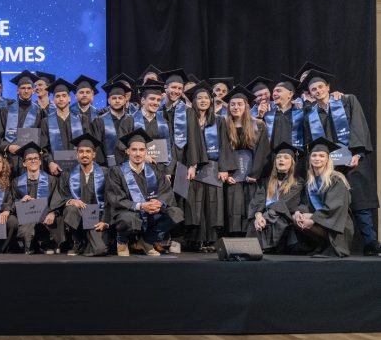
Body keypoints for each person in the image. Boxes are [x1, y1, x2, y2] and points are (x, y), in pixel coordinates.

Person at [299, 69, 380, 255]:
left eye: (321, 87)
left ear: (328, 87)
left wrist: (357, 153)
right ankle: (333, 244)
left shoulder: (346, 101)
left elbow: (358, 126)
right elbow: (311, 143)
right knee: (332, 204)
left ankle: (370, 242)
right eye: (314, 89)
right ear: (310, 93)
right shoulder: (310, 115)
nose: (318, 91)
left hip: (352, 161)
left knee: (360, 201)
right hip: (329, 167)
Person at [105, 128, 184, 256]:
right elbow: (115, 198)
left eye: (142, 150)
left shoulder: (155, 170)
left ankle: (147, 241)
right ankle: (122, 241)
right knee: (128, 218)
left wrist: (159, 203)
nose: (138, 154)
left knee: (176, 213)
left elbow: (166, 191)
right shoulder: (116, 172)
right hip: (130, 212)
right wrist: (141, 206)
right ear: (127, 151)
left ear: (146, 152)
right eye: (134, 150)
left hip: (151, 212)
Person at [182, 82, 231, 253]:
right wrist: (191, 163)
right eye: (199, 98)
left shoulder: (218, 120)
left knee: (212, 204)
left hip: (212, 167)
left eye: (206, 98)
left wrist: (224, 168)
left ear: (211, 101)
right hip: (192, 166)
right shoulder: (186, 118)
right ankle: (195, 241)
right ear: (194, 101)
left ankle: (211, 240)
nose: (203, 101)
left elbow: (224, 144)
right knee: (194, 204)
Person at [222, 85, 270, 235]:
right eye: (232, 104)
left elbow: (262, 151)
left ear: (246, 106)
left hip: (251, 173)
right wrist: (227, 172)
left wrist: (255, 173)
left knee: (250, 202)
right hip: (232, 174)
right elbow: (222, 150)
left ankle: (250, 235)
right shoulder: (223, 125)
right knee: (233, 205)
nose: (236, 107)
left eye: (239, 104)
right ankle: (234, 236)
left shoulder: (258, 125)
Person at [293, 138, 354, 257]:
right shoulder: (310, 182)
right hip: (321, 219)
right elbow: (305, 204)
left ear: (327, 159)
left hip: (338, 225)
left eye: (322, 156)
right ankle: (319, 246)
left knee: (307, 220)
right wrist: (298, 213)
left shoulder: (336, 179)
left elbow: (335, 207)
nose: (317, 158)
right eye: (314, 155)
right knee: (296, 219)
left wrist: (313, 219)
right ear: (309, 158)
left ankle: (329, 246)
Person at [249, 142, 306, 253]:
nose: (281, 160)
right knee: (254, 222)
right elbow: (258, 200)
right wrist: (258, 215)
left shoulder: (298, 182)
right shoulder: (266, 181)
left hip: (284, 217)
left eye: (286, 158)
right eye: (278, 157)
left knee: (279, 221)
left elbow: (286, 203)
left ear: (292, 162)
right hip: (265, 217)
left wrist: (265, 217)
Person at [60, 134, 109, 257]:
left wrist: (105, 221)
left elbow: (111, 200)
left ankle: (87, 242)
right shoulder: (68, 174)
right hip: (78, 217)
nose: (84, 154)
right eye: (81, 151)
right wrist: (71, 201)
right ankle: (78, 241)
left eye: (88, 151)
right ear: (77, 155)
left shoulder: (105, 173)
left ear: (94, 154)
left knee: (100, 249)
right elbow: (61, 196)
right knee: (71, 209)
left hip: (97, 218)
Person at [12, 142, 62, 254]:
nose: (33, 161)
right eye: (29, 159)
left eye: (36, 158)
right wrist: (21, 202)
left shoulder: (51, 180)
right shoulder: (16, 182)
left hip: (46, 217)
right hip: (27, 218)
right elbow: (12, 202)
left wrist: (53, 212)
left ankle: (49, 243)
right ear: (24, 163)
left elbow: (57, 200)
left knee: (58, 218)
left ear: (40, 162)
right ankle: (31, 245)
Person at [40, 79, 84, 176]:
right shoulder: (46, 122)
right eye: (57, 96)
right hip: (56, 170)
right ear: (53, 100)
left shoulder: (81, 119)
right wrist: (50, 162)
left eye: (64, 96)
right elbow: (43, 148)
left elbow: (87, 144)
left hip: (79, 169)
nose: (61, 99)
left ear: (69, 98)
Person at [1, 70, 43, 169]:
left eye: (29, 88)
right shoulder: (6, 111)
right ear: (17, 90)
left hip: (30, 161)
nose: (26, 91)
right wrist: (8, 147)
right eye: (23, 88)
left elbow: (43, 138)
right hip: (10, 161)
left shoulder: (39, 112)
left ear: (33, 91)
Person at [90, 80, 132, 167]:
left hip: (129, 164)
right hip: (106, 166)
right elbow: (97, 146)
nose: (117, 101)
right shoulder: (99, 121)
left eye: (120, 98)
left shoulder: (131, 119)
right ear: (109, 100)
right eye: (114, 98)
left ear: (125, 100)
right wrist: (103, 166)